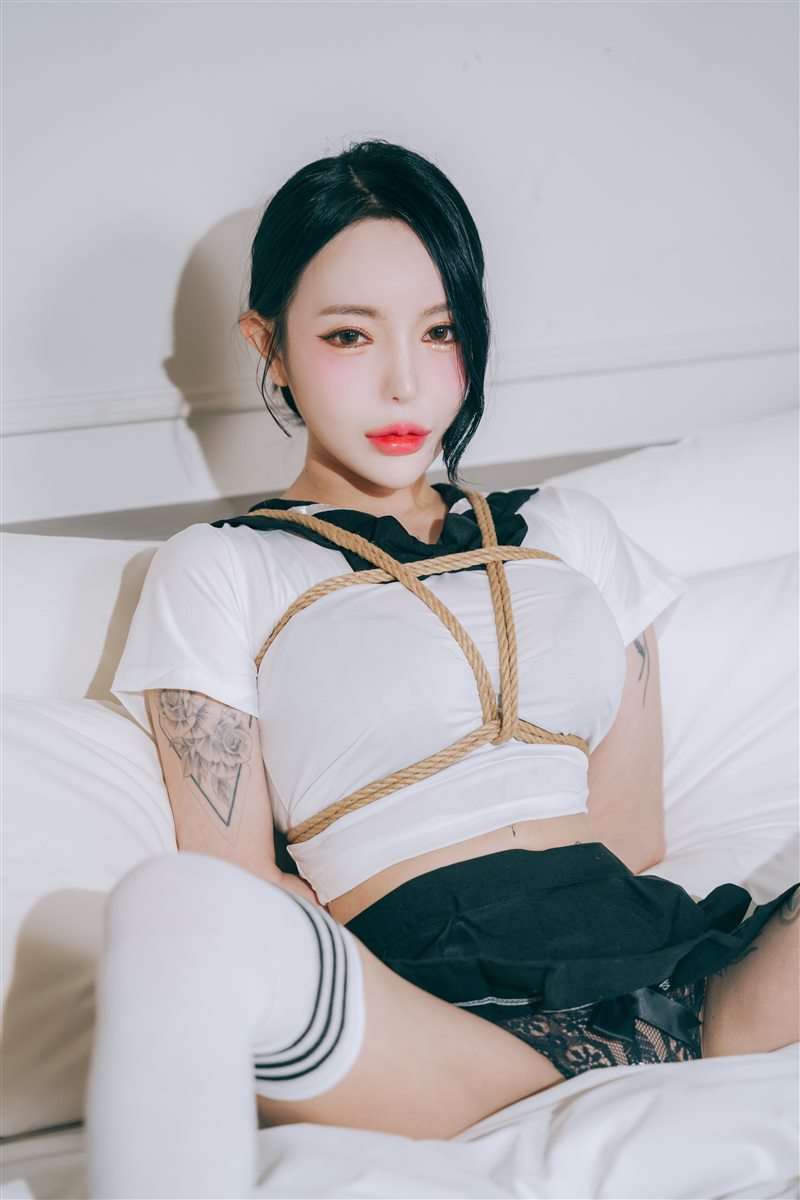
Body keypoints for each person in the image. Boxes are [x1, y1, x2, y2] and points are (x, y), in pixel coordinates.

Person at [86, 139, 799, 1200]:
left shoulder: (571, 531)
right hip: (441, 1034)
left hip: (682, 983)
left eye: (441, 330)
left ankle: (661, 1066)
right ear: (267, 344)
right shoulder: (222, 566)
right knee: (172, 907)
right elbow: (235, 881)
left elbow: (630, 835)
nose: (405, 383)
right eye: (348, 335)